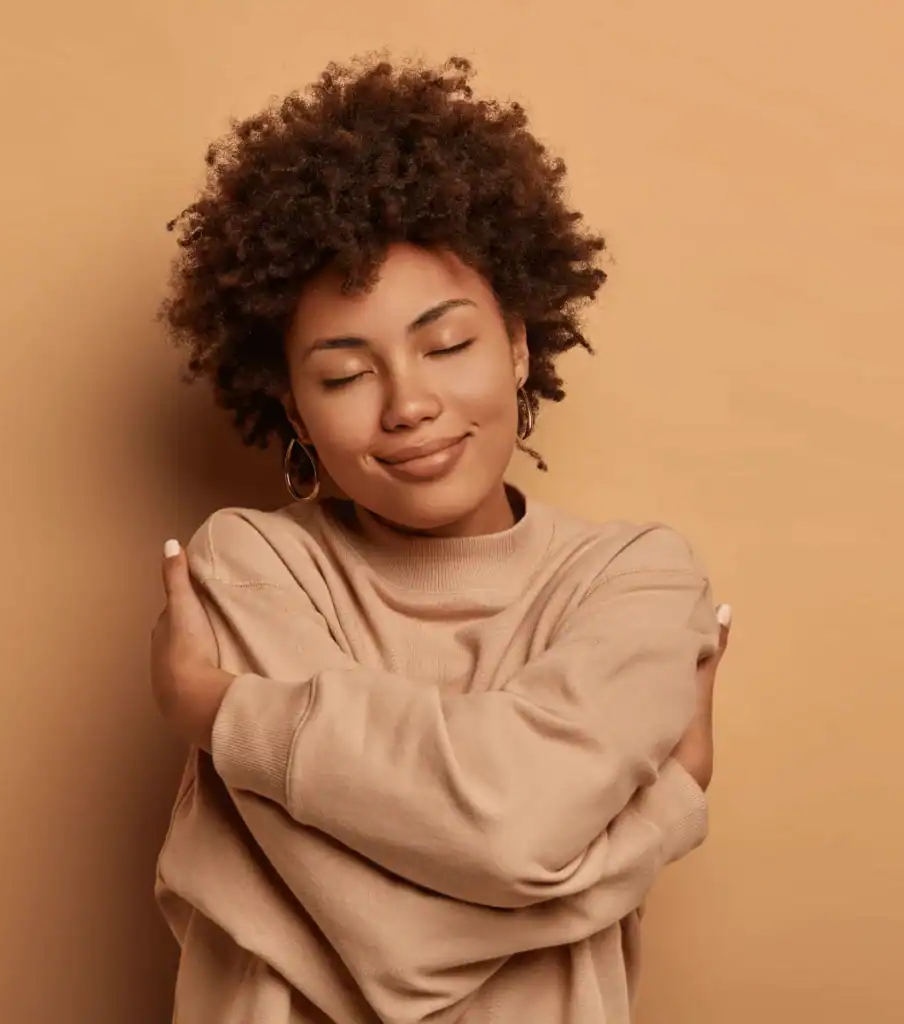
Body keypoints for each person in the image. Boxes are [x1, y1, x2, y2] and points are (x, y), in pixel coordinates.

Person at [149, 55, 732, 1024]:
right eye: (344, 375)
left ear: (517, 344)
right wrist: (661, 811)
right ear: (290, 405)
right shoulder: (250, 565)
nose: (409, 404)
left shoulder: (634, 578)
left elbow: (505, 830)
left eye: (448, 344)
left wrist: (224, 714)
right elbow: (391, 943)